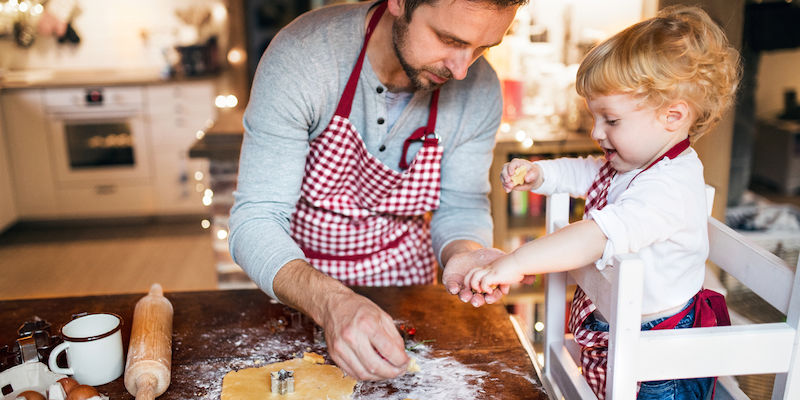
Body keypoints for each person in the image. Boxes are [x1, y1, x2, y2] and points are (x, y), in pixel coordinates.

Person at [228, 0, 526, 381]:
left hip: (407, 289)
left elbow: (462, 205)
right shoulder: (305, 58)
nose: (462, 69)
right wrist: (332, 302)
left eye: (484, 48)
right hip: (302, 292)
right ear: (398, 3)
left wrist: (464, 252)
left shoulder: (480, 89)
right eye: (449, 39)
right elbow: (256, 217)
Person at [463, 6, 740, 399]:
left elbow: (593, 238)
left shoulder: (670, 188)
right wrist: (541, 175)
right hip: (622, 328)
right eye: (594, 118)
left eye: (610, 120)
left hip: (661, 356)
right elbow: (586, 172)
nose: (596, 132)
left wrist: (516, 262)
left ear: (672, 116)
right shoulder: (634, 162)